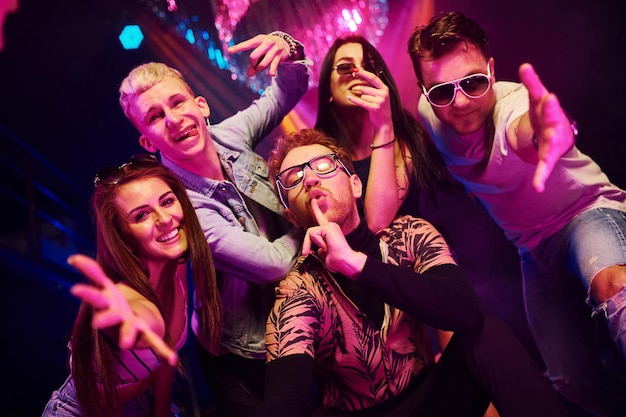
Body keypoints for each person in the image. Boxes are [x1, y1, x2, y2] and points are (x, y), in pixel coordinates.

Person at [254, 128, 569, 417]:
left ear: (355, 184)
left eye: (323, 166)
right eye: (293, 178)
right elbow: (286, 401)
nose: (309, 179)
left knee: (488, 333)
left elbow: (465, 311)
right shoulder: (297, 290)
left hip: (430, 401)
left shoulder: (409, 235)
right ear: (291, 216)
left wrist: (354, 263)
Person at [407, 11, 626, 417]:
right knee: (570, 379)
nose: (460, 103)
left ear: (491, 71)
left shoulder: (511, 107)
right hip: (532, 249)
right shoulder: (426, 111)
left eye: (473, 83)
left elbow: (525, 130)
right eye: (441, 91)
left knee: (615, 291)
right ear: (423, 90)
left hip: (586, 213)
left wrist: (550, 132)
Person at [118, 31, 310, 417]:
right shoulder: (178, 204)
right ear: (147, 141)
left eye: (177, 102)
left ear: (201, 105)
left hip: (293, 321)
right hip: (244, 358)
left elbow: (287, 90)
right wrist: (318, 211)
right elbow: (274, 262)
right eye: (155, 117)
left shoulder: (229, 135)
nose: (173, 120)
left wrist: (287, 49)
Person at [315, 35, 535, 364]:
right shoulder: (320, 156)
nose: (358, 75)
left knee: (468, 363)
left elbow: (377, 219)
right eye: (345, 68)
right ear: (327, 90)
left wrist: (384, 124)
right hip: (357, 290)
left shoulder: (403, 136)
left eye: (368, 67)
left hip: (421, 272)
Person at [41, 155, 221, 417]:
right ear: (124, 240)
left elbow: (165, 361)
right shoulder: (126, 296)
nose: (164, 219)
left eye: (167, 202)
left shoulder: (176, 266)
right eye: (142, 215)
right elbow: (136, 314)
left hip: (141, 407)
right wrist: (127, 322)